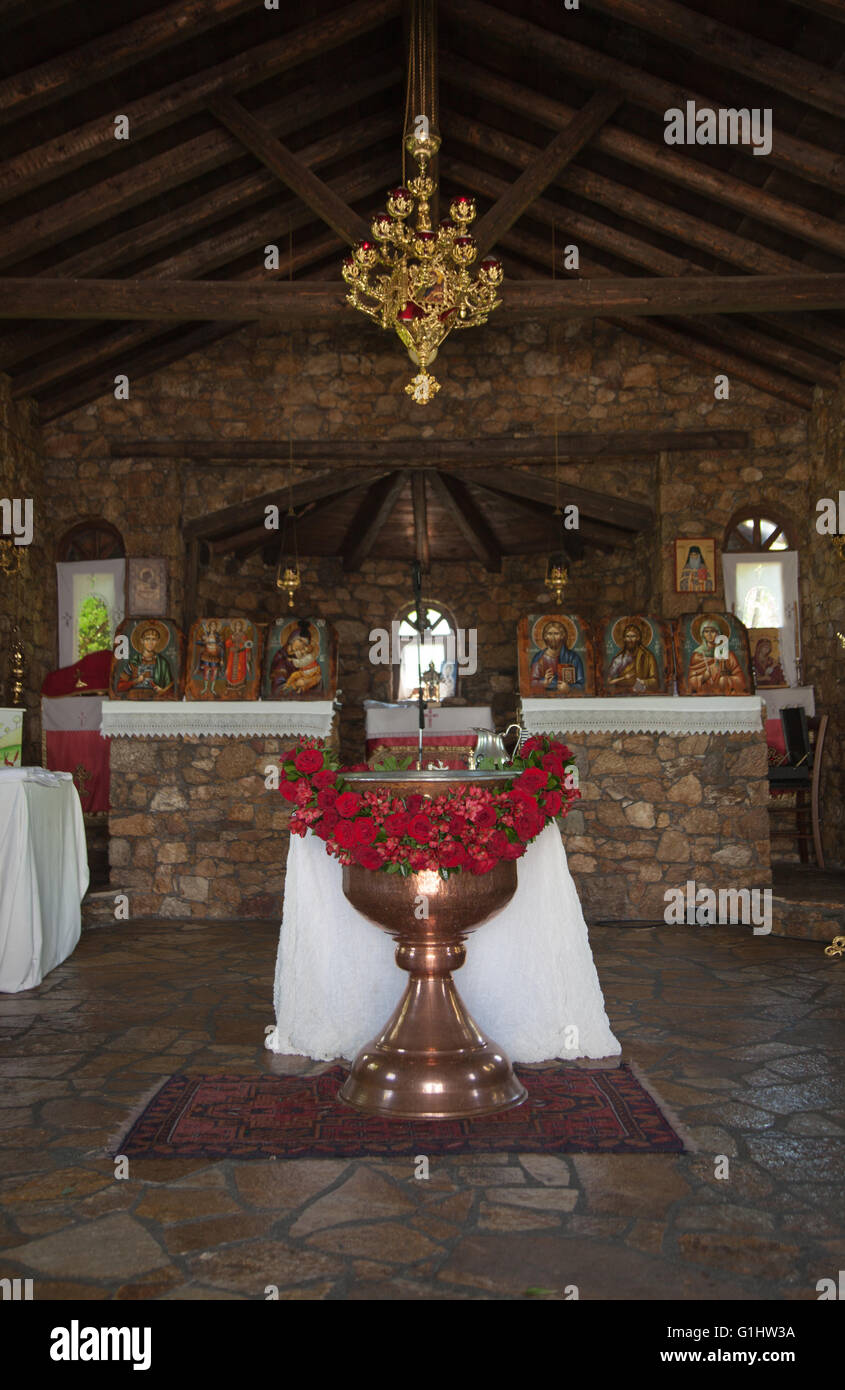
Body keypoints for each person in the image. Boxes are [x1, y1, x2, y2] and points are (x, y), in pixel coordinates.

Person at [688, 618, 748, 693]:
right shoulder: (697, 656)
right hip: (703, 697)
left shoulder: (728, 655)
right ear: (702, 634)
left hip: (726, 697)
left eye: (712, 631)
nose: (709, 634)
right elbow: (690, 683)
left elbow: (741, 680)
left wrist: (725, 680)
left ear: (718, 633)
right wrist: (703, 678)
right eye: (706, 631)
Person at [530, 619, 584, 694]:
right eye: (549, 633)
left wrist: (569, 688)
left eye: (556, 633)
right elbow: (532, 683)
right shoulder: (539, 657)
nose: (553, 637)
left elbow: (581, 684)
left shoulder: (573, 658)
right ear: (545, 636)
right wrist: (544, 683)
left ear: (562, 636)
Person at [115, 625, 173, 696]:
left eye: (153, 639)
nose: (150, 642)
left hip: (155, 699)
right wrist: (136, 681)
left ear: (158, 641)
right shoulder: (134, 662)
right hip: (134, 698)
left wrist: (162, 690)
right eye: (147, 639)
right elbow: (119, 686)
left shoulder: (162, 663)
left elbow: (170, 688)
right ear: (142, 641)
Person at [606, 620, 659, 693]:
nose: (630, 640)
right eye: (627, 636)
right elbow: (608, 681)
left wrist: (643, 682)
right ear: (624, 639)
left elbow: (655, 681)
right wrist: (623, 678)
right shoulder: (619, 659)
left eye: (633, 636)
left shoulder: (648, 657)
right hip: (620, 694)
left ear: (638, 638)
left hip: (642, 693)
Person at [225, 618, 253, 688]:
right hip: (233, 654)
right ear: (234, 627)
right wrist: (232, 639)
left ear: (241, 627)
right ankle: (231, 684)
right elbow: (227, 644)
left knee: (240, 669)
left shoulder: (243, 636)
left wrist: (243, 647)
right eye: (237, 626)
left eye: (239, 626)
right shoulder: (232, 635)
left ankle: (240, 684)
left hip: (241, 654)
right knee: (231, 668)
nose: (238, 627)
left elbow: (247, 645)